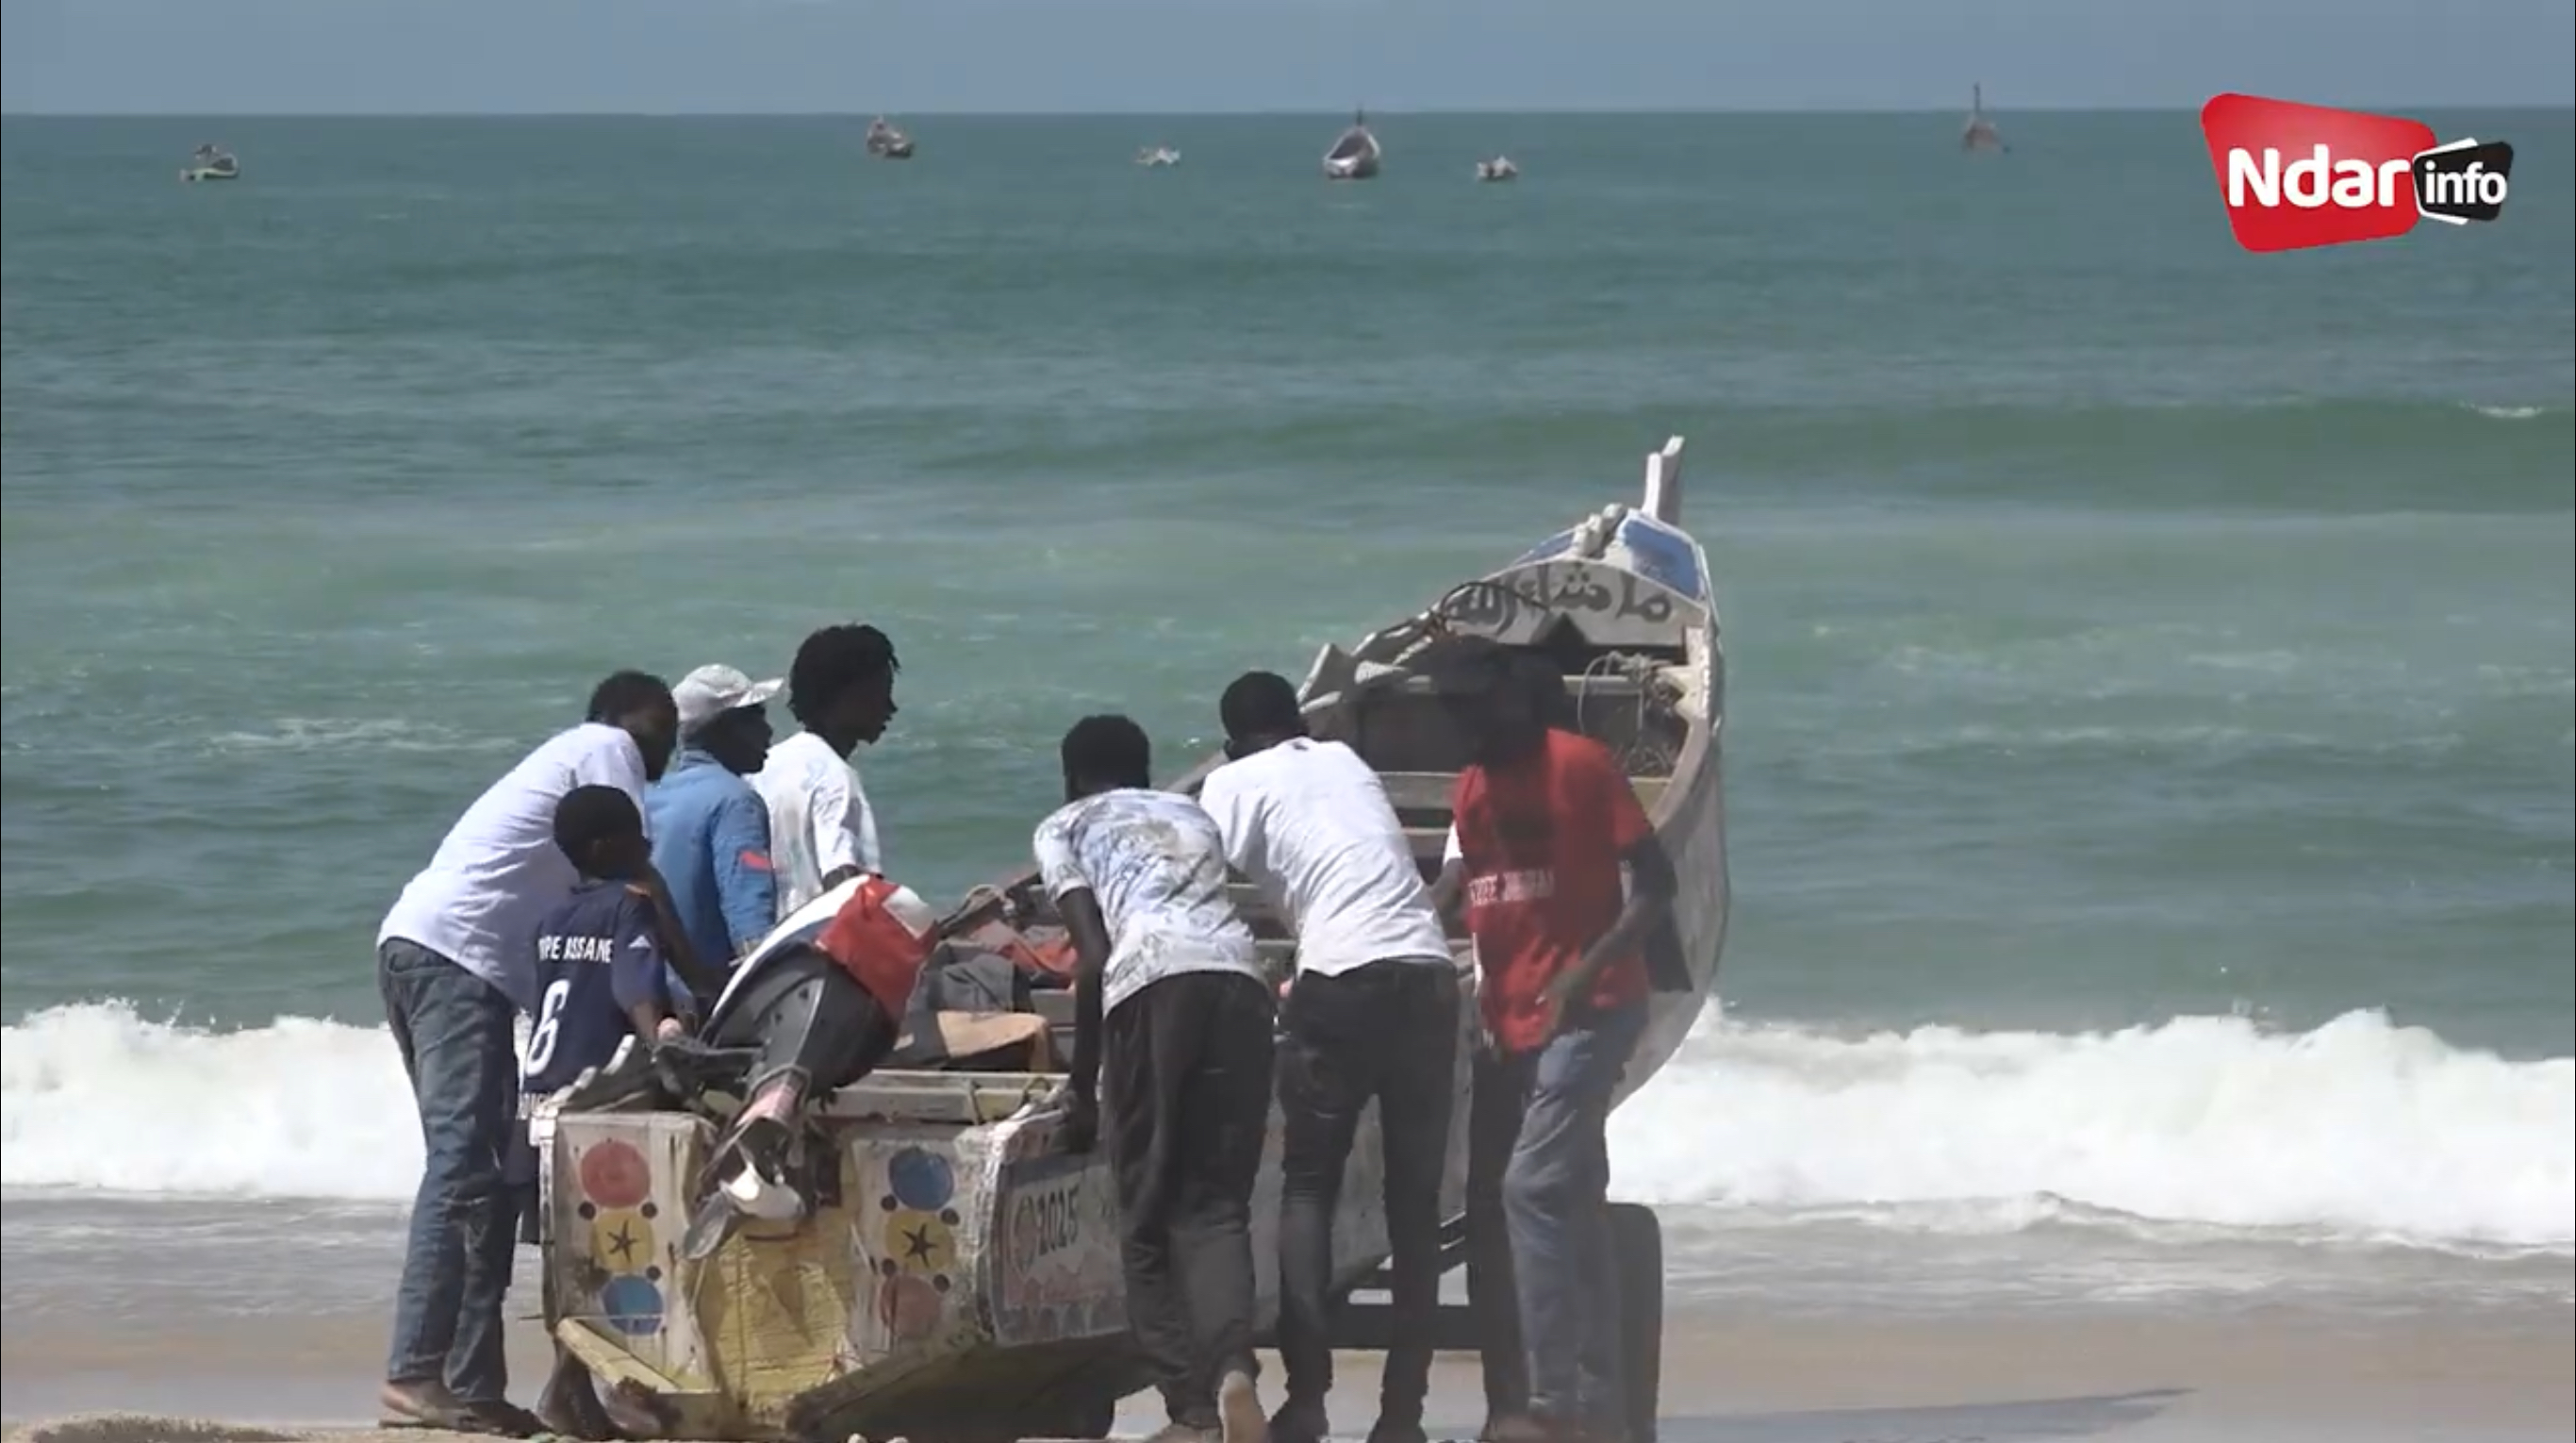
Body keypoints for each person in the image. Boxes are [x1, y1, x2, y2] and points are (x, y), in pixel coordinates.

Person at [372, 670, 684, 1435]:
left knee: (486, 1182)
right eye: (661, 729)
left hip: (434, 953)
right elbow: (638, 876)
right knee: (461, 1167)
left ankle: (473, 1388)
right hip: (456, 961)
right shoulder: (606, 748)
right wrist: (696, 978)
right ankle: (415, 1373)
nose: (665, 747)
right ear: (619, 720)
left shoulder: (568, 760)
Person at [1196, 671, 1461, 1443]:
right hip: (1427, 974)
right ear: (1298, 722)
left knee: (1308, 1191)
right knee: (1416, 1211)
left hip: (1339, 982)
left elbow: (1196, 888)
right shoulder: (1348, 762)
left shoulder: (1231, 783)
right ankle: (1401, 1418)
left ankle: (1306, 1400)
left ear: (1234, 741)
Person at [1424, 638, 1676, 1443]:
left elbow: (1656, 886)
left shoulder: (1581, 763)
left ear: (1507, 702)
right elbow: (1478, 905)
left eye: (1470, 709)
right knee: (1571, 1201)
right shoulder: (1470, 789)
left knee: (1527, 1189)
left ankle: (1553, 1406)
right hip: (1516, 1020)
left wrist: (1584, 971)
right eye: (1449, 712)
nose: (1461, 726)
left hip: (1596, 1003)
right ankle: (1606, 1408)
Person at [1037, 715, 1274, 1443]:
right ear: (1142, 770)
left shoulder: (1065, 826)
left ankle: (1190, 1409)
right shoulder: (1189, 811)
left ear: (1075, 775)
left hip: (1153, 985)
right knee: (1216, 1206)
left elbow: (1096, 957)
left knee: (1143, 1213)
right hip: (1239, 980)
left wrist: (1083, 1086)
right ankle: (1234, 1366)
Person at [507, 785, 697, 1435]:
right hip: (590, 1104)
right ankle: (611, 1387)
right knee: (630, 1245)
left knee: (566, 1256)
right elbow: (633, 985)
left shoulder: (552, 917)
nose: (647, 846)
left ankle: (574, 1389)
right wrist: (663, 1043)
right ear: (605, 847)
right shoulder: (628, 907)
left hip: (535, 1102)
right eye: (635, 836)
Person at [647, 665, 783, 1013]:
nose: (768, 731)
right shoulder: (736, 801)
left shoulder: (652, 795)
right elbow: (749, 914)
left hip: (645, 992)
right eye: (755, 718)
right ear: (722, 729)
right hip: (701, 1001)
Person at [754, 623, 900, 921]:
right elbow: (843, 881)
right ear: (846, 699)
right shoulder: (834, 776)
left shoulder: (764, 765)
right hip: (817, 948)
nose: (891, 708)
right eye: (880, 694)